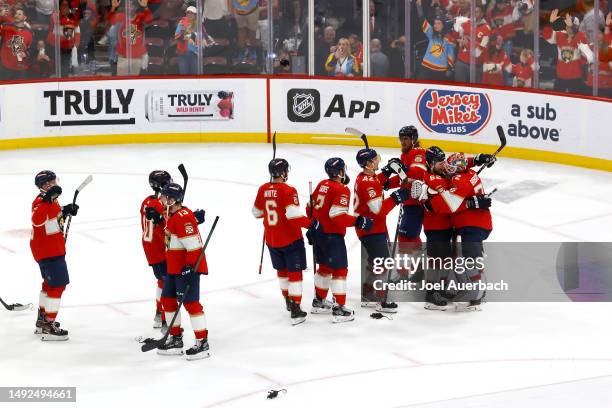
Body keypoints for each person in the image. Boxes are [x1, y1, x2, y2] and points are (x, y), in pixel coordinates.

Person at [422, 152, 495, 312]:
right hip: (470, 224)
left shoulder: (458, 179)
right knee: (452, 259)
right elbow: (461, 163)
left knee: (466, 260)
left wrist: (431, 205)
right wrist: (476, 159)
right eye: (442, 163)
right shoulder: (468, 172)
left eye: (447, 164)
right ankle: (472, 293)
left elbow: (450, 204)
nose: (446, 167)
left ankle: (474, 296)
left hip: (468, 225)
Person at [308, 158, 373, 323]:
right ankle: (339, 309)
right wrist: (359, 221)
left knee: (324, 267)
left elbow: (309, 208)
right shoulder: (342, 189)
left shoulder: (322, 184)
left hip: (318, 234)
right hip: (332, 236)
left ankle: (319, 301)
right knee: (339, 271)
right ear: (340, 172)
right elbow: (337, 216)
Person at [252, 158, 311, 325]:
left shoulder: (263, 189)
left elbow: (256, 213)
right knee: (295, 274)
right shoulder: (288, 190)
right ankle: (296, 309)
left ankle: (288, 301)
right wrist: (311, 225)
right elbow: (293, 216)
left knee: (282, 272)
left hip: (272, 240)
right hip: (291, 239)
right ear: (284, 173)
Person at [156, 183, 210, 360]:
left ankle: (202, 343)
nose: (161, 200)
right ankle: (176, 338)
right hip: (174, 268)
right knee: (168, 300)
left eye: (164, 197)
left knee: (191, 304)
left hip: (188, 269)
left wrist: (190, 269)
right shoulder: (173, 214)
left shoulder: (182, 218)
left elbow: (195, 247)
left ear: (172, 200)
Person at [354, 148, 408, 313]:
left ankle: (368, 295)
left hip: (370, 228)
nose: (379, 160)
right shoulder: (367, 182)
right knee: (383, 263)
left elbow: (377, 182)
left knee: (374, 262)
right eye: (376, 159)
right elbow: (378, 210)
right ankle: (381, 300)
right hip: (372, 229)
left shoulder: (365, 177)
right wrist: (396, 198)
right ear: (369, 164)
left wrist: (386, 171)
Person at [31, 170, 79, 341]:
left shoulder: (52, 200)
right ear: (45, 186)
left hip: (50, 249)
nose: (55, 184)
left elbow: (51, 220)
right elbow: (37, 220)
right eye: (51, 182)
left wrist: (65, 211)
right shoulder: (40, 202)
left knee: (49, 284)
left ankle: (42, 321)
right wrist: (46, 201)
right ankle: (49, 325)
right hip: (48, 252)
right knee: (58, 285)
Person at [140, 171, 172, 331]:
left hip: (151, 247)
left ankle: (159, 314)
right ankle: (166, 320)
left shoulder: (147, 201)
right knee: (168, 283)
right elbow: (171, 226)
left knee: (162, 281)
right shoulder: (160, 204)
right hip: (160, 248)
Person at [544, 10, 593, 93]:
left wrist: (571, 30)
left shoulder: (581, 36)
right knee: (556, 99)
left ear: (575, 26)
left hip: (575, 77)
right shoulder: (560, 35)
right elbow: (547, 37)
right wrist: (550, 23)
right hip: (560, 76)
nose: (566, 26)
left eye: (568, 24)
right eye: (566, 24)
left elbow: (588, 55)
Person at [109, 0, 152, 76]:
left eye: (131, 5)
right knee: (121, 82)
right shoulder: (120, 16)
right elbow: (111, 20)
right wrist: (113, 8)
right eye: (127, 5)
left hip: (137, 56)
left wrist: (145, 7)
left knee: (134, 82)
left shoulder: (140, 16)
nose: (128, 7)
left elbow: (149, 19)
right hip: (123, 56)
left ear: (135, 7)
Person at [415, 0, 455, 81]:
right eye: (435, 23)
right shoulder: (431, 33)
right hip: (426, 66)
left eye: (439, 23)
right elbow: (422, 20)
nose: (436, 25)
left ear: (444, 25)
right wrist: (419, 7)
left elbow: (451, 54)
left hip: (441, 70)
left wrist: (450, 68)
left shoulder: (449, 38)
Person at [47, 0, 81, 77]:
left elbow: (77, 31)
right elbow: (51, 31)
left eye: (66, 5)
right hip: (56, 47)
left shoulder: (74, 17)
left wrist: (76, 44)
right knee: (56, 67)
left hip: (68, 47)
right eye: (62, 5)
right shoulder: (55, 16)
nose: (64, 7)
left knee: (65, 68)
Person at [0, 8, 32, 80]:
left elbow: (32, 49)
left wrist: (26, 54)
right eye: (16, 14)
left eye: (19, 14)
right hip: (5, 67)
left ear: (25, 17)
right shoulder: (6, 27)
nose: (16, 15)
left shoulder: (29, 33)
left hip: (20, 69)